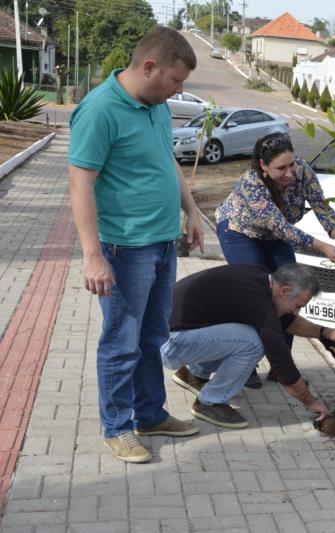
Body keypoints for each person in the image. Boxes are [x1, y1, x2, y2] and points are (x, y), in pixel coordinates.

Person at [68, 27, 204, 463]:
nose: (180, 90)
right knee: (121, 342)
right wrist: (93, 255)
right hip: (125, 250)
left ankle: (150, 414)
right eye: (175, 80)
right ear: (149, 67)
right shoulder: (100, 110)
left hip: (163, 243)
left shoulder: (156, 106)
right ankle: (117, 426)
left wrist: (193, 212)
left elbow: (167, 161)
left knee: (153, 337)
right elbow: (80, 185)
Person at [216, 133, 335, 388]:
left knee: (291, 291)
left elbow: (321, 207)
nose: (290, 172)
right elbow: (280, 227)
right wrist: (323, 247)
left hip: (274, 235)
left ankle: (281, 365)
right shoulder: (252, 183)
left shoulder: (303, 171)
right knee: (254, 293)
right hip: (239, 232)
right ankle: (244, 363)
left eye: (292, 164)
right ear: (263, 166)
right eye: (281, 168)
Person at [161, 263, 335, 428]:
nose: (296, 311)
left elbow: (288, 321)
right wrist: (311, 402)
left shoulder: (260, 280)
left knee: (246, 331)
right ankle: (209, 403)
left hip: (171, 332)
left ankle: (193, 374)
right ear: (284, 290)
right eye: (298, 305)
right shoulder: (259, 302)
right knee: (255, 342)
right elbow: (282, 363)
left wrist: (326, 331)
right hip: (169, 343)